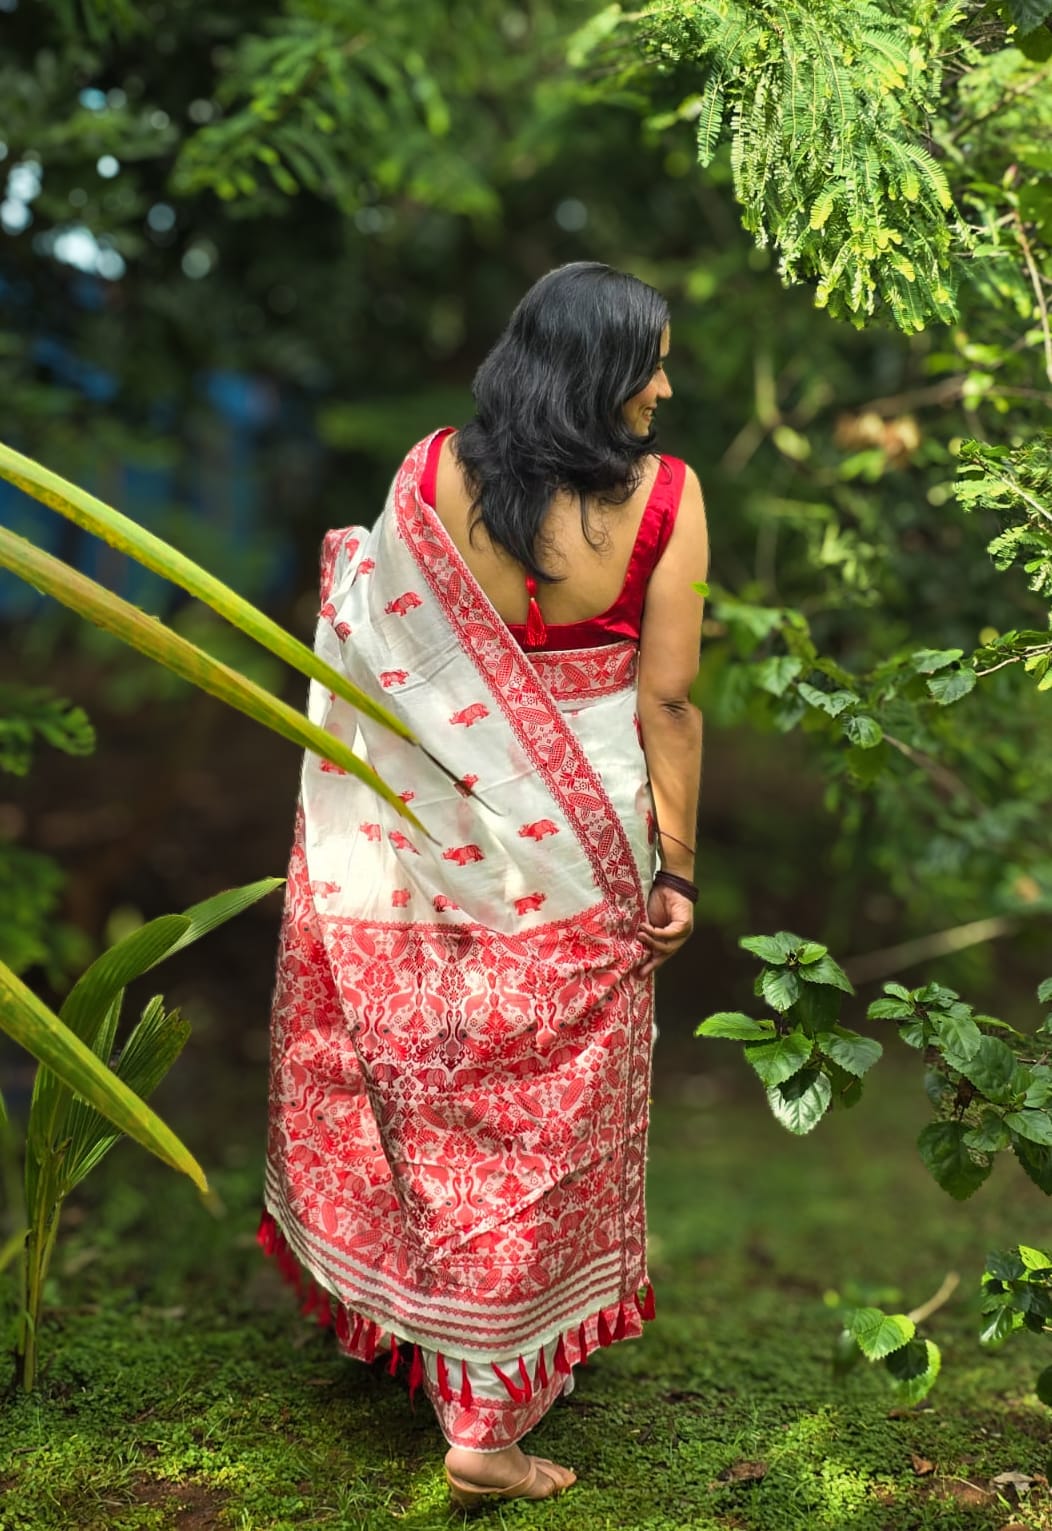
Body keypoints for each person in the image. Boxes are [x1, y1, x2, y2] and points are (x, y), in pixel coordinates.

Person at [260, 261, 707, 1507]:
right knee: (554, 1100)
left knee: (439, 1072)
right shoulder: (663, 498)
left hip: (422, 837)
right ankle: (490, 1413)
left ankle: (452, 1341)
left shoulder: (434, 471)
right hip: (583, 832)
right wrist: (678, 863)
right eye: (651, 361)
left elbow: (366, 638)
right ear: (594, 369)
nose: (666, 384)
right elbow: (664, 696)